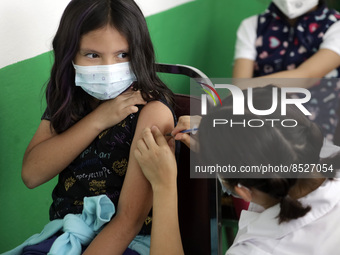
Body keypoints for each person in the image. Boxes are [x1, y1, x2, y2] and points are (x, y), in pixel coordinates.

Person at [18, 0, 175, 254]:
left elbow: (129, 221)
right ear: (70, 54)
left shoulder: (151, 110)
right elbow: (32, 174)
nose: (108, 68)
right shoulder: (69, 96)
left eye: (123, 54)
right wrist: (100, 119)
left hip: (128, 243)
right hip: (67, 235)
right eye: (92, 55)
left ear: (139, 52)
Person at [134, 86, 340, 254]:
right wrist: (217, 132)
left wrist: (164, 185)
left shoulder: (257, 251)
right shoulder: (315, 155)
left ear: (242, 190)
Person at [233, 0, 340, 142]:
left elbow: (305, 77)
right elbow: (238, 89)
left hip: (314, 129)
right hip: (261, 127)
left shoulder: (335, 26)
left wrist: (243, 88)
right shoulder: (252, 25)